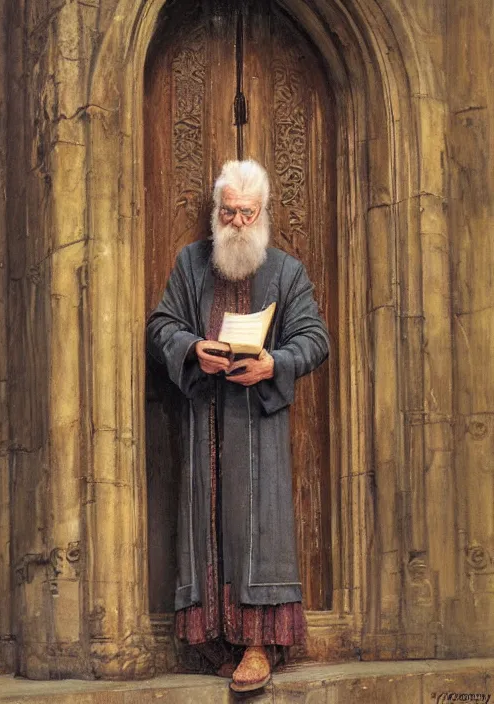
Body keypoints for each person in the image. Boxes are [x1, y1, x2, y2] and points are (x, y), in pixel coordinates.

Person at [147, 160, 330, 692]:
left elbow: (315, 338)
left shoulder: (286, 271)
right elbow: (162, 325)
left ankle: (257, 644)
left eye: (247, 213)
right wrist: (191, 348)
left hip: (259, 423)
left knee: (257, 528)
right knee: (209, 526)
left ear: (263, 214)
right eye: (228, 213)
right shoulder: (190, 264)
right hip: (205, 417)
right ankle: (216, 639)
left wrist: (275, 363)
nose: (237, 224)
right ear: (216, 212)